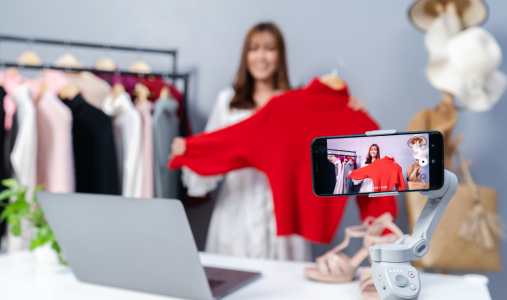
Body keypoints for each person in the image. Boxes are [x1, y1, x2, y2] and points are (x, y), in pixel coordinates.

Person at [172, 22, 369, 261]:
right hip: (236, 215)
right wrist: (191, 150)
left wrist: (352, 115)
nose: (261, 56)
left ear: (280, 55)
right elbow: (215, 145)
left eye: (269, 48)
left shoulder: (296, 104)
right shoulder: (227, 101)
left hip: (283, 214)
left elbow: (326, 149)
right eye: (253, 49)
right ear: (245, 55)